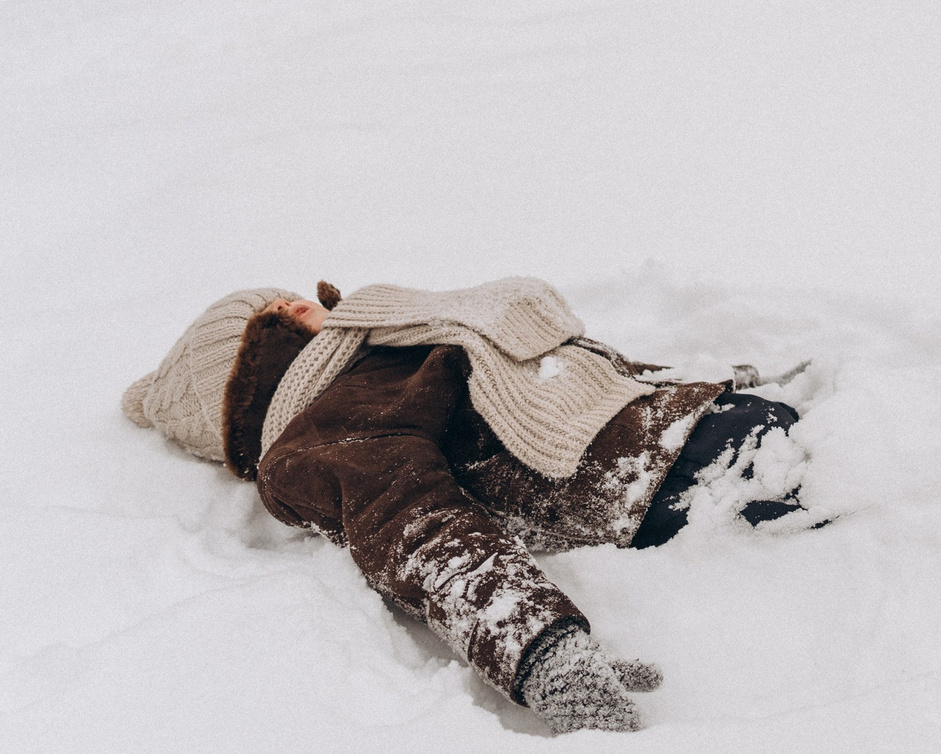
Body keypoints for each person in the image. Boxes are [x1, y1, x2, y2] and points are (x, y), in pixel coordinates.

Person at [121, 277, 809, 733]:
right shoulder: (324, 430)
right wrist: (543, 652)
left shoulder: (389, 352)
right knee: (860, 474)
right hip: (679, 474)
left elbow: (562, 381)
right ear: (289, 321)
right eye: (298, 302)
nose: (318, 301)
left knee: (857, 452)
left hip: (685, 437)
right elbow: (420, 531)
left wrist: (696, 387)